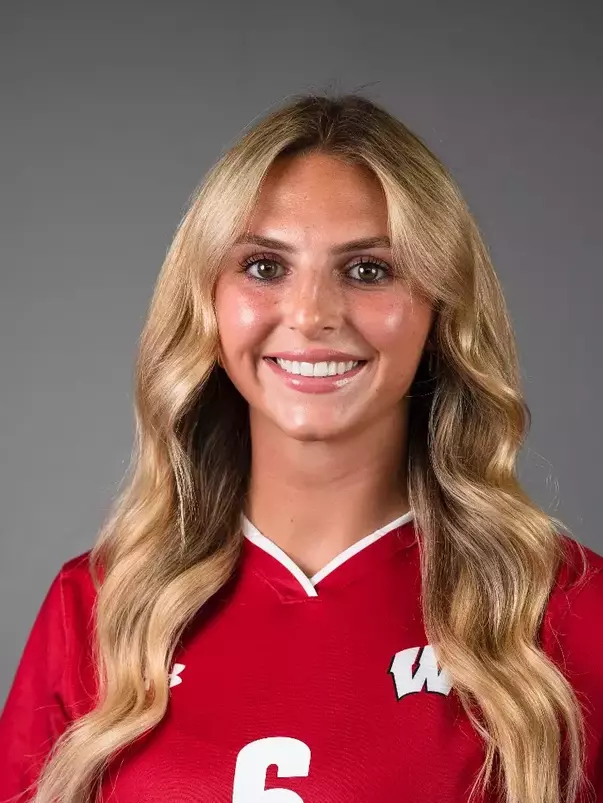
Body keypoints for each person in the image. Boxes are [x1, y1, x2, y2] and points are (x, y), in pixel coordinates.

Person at [0, 92, 602, 803]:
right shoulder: (100, 605)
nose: (312, 314)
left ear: (441, 308)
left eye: (368, 269)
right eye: (264, 266)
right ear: (206, 300)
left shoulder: (565, 607)